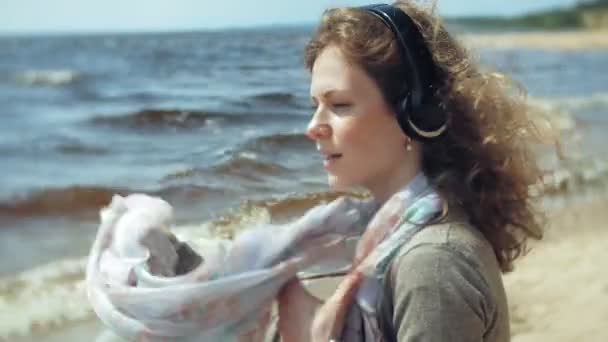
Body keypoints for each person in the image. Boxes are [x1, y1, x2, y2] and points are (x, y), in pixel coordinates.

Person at [276, 1, 546, 341]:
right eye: (316, 106)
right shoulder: (393, 238)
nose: (313, 127)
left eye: (339, 105)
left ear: (417, 116)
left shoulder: (432, 264)